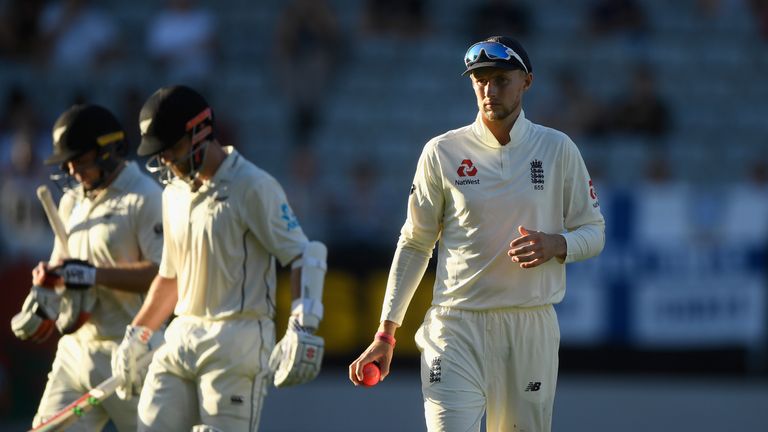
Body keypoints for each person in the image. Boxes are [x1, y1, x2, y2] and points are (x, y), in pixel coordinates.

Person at [349, 36, 606, 432]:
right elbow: (416, 242)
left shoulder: (557, 149)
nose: (489, 89)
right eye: (480, 79)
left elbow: (595, 231)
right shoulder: (442, 152)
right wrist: (386, 332)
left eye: (501, 79)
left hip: (529, 326)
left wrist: (558, 244)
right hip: (455, 327)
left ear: (527, 82)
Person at [112, 85, 327, 431]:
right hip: (181, 335)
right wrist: (137, 333)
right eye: (160, 153)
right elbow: (170, 277)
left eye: (173, 148)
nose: (166, 160)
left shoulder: (253, 185)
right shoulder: (173, 193)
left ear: (201, 132)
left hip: (237, 341)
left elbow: (304, 255)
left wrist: (302, 325)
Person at [10, 104, 164, 430]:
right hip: (75, 350)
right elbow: (63, 265)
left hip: (132, 352)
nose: (72, 170)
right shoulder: (71, 201)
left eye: (80, 160)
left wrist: (93, 274)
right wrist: (46, 289)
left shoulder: (146, 197)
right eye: (67, 163)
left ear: (108, 150)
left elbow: (162, 275)